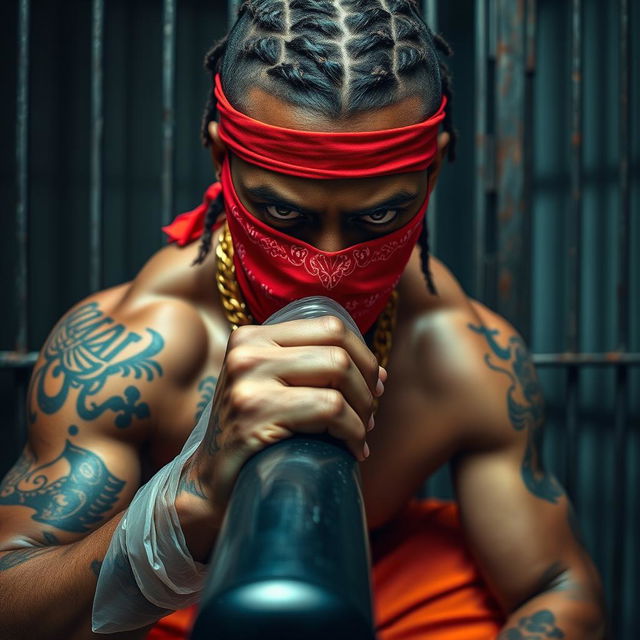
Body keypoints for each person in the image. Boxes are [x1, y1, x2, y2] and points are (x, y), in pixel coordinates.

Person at [0, 1, 605, 639]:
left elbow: (561, 589)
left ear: (431, 170)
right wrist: (193, 494)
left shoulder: (463, 355)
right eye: (284, 215)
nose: (327, 269)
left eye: (377, 217)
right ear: (220, 159)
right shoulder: (129, 349)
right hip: (178, 601)